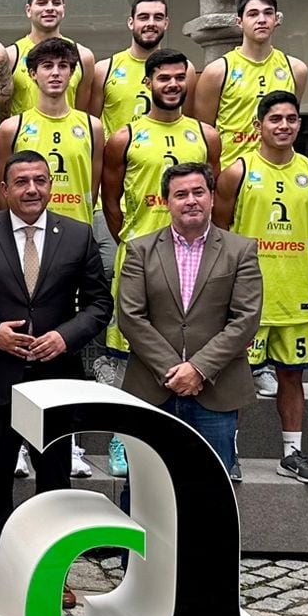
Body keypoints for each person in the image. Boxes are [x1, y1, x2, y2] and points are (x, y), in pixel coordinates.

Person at [0, 150, 111, 607]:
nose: (31, 189)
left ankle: (55, 573)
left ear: (51, 185)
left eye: (39, 180)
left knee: (54, 481)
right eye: (21, 182)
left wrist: (66, 337)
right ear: (4, 190)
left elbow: (99, 305)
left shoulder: (77, 235)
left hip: (56, 380)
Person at [96, 50, 220, 477]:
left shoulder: (206, 134)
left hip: (191, 261)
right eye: (163, 77)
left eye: (178, 78)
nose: (171, 84)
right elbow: (111, 201)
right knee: (126, 352)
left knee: (187, 341)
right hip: (141, 259)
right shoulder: (124, 137)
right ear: (147, 83)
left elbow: (212, 197)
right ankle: (120, 440)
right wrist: (131, 241)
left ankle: (184, 434)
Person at [0, 34, 102, 478]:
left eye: (63, 65)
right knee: (21, 336)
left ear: (73, 73)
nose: (56, 73)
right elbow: (2, 190)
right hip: (23, 240)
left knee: (68, 342)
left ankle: (66, 440)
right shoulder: (13, 127)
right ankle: (19, 442)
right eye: (47, 66)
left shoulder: (92, 126)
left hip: (69, 245)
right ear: (33, 74)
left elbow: (95, 186)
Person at [115, 162, 263, 481]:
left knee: (211, 492)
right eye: (180, 194)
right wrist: (175, 371)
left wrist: (198, 369)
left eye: (199, 192)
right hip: (152, 389)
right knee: (144, 487)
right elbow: (130, 316)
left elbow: (246, 318)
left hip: (216, 390)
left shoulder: (241, 250)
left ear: (212, 196)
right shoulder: (140, 250)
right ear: (167, 202)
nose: (191, 200)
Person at [215, 91, 308, 484]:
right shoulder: (238, 171)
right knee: (238, 378)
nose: (284, 125)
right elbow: (222, 232)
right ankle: (228, 453)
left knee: (293, 376)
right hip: (248, 299)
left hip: (295, 296)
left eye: (291, 118)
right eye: (275, 118)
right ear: (258, 125)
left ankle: (292, 454)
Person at [191, 0, 308, 169]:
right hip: (230, 175)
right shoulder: (217, 71)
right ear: (240, 21)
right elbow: (204, 133)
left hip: (278, 172)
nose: (261, 20)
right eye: (253, 14)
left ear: (276, 19)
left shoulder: (296, 70)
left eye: (268, 13)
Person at [86, 0, 195, 137]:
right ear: (131, 23)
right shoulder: (104, 69)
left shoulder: (185, 69)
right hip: (118, 157)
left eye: (158, 17)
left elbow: (188, 121)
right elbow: (92, 126)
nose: (151, 23)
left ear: (166, 23)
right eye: (143, 17)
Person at [4, 0, 97, 124]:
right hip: (25, 142)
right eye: (42, 3)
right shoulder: (10, 56)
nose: (50, 8)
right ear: (28, 10)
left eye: (56, 3)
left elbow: (81, 110)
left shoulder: (83, 57)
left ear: (63, 10)